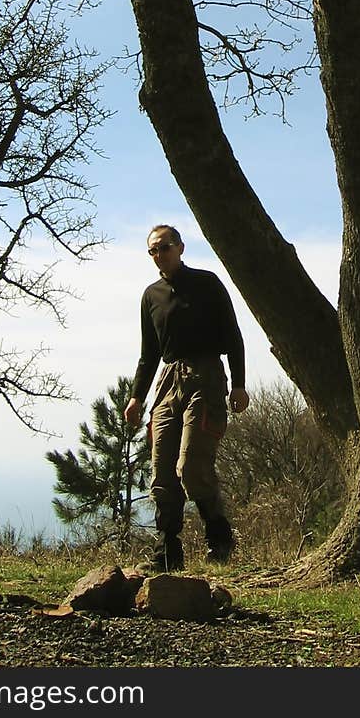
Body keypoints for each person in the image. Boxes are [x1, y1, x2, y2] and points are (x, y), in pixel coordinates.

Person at [124, 224, 250, 572]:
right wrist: (136, 397)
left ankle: (219, 536)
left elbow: (233, 336)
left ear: (180, 247)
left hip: (205, 377)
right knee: (163, 470)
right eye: (152, 250)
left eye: (164, 247)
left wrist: (238, 384)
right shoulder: (151, 295)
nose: (158, 255)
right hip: (168, 381)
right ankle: (167, 551)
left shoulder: (207, 284)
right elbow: (148, 354)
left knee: (191, 467)